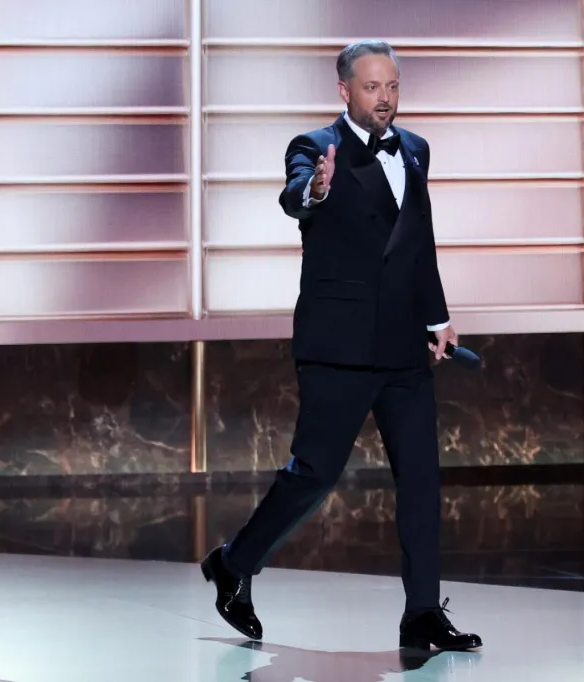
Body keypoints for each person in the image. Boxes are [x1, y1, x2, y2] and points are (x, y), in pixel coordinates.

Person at [200, 39, 482, 652]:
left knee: (421, 480)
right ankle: (233, 562)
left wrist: (437, 318)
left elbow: (419, 241)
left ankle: (422, 612)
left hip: (403, 346)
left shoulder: (415, 149)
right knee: (314, 473)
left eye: (392, 86)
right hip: (340, 345)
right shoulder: (313, 146)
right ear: (344, 91)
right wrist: (316, 191)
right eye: (372, 87)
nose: (385, 98)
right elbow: (296, 196)